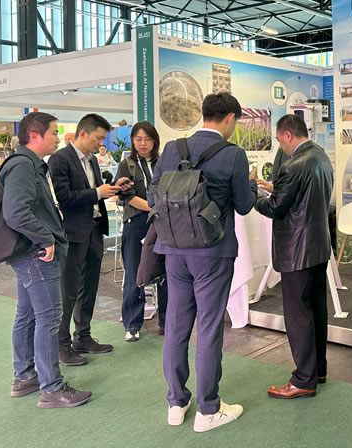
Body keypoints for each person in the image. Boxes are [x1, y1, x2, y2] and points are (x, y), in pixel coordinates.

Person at [149, 92, 258, 433]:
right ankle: (208, 408)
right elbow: (244, 206)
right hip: (213, 252)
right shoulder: (233, 154)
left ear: (204, 114)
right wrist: (253, 184)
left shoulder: (171, 149)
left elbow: (153, 196)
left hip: (173, 250)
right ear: (230, 119)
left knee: (176, 325)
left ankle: (176, 402)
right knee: (209, 328)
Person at [0, 112, 91, 408]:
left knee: (28, 315)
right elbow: (16, 212)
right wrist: (46, 238)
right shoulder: (23, 166)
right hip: (35, 254)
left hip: (29, 252)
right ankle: (51, 388)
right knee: (49, 317)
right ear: (34, 135)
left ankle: (25, 377)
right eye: (53, 132)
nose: (58, 138)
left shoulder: (30, 165)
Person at [255, 114, 334, 399]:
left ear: (287, 134)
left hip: (296, 251)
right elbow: (302, 197)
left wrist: (254, 194)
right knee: (316, 311)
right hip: (318, 247)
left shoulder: (293, 165)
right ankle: (317, 370)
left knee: (298, 316)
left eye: (279, 140)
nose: (281, 147)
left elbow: (274, 208)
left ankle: (303, 379)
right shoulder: (321, 157)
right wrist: (274, 190)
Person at [50, 113, 129, 366]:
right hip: (73, 233)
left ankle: (82, 337)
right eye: (98, 138)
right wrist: (97, 192)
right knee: (68, 290)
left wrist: (113, 187)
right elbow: (64, 197)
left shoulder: (92, 160)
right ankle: (62, 346)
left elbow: (93, 193)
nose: (100, 143)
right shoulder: (60, 159)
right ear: (83, 133)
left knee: (90, 286)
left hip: (95, 230)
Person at [116, 121, 166, 341]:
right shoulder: (126, 165)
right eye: (138, 139)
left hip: (162, 223)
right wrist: (153, 207)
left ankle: (167, 321)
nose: (143, 143)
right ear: (133, 141)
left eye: (147, 139)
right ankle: (132, 324)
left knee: (166, 272)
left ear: (154, 140)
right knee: (134, 273)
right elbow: (126, 196)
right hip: (136, 223)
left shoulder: (163, 163)